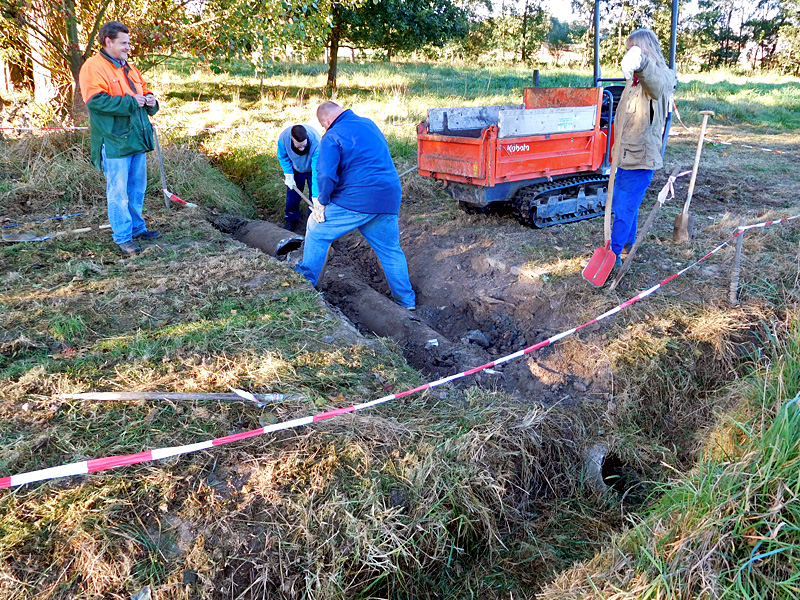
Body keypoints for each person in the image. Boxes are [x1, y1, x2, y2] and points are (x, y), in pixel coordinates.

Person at [295, 101, 416, 310]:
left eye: (323, 126)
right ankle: (407, 302)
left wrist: (321, 203)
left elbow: (325, 174)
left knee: (316, 229)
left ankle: (305, 285)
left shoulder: (332, 136)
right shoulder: (368, 124)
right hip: (388, 196)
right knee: (390, 250)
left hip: (358, 199)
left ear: (325, 121)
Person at [79, 21, 161, 257]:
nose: (128, 47)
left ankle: (137, 228)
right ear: (108, 42)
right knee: (119, 192)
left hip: (136, 137)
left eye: (128, 43)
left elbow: (144, 91)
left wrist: (150, 99)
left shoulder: (130, 68)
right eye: (124, 43)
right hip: (114, 141)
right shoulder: (93, 68)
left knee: (137, 188)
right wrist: (131, 102)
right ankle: (123, 238)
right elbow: (96, 102)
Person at [610, 28, 677, 266]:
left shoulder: (663, 76)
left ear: (644, 49)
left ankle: (613, 254)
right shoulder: (635, 82)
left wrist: (642, 62)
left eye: (633, 49)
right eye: (628, 50)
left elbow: (657, 85)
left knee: (623, 206)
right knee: (625, 203)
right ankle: (628, 243)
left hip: (640, 157)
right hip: (626, 155)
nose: (629, 53)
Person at [277, 124, 321, 232]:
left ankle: (313, 225)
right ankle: (291, 219)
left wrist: (316, 196)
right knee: (293, 196)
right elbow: (283, 157)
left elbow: (316, 170)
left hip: (312, 171)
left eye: (304, 146)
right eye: (298, 146)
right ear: (292, 139)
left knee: (314, 199)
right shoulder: (284, 139)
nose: (301, 148)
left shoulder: (317, 142)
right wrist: (288, 175)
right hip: (296, 169)